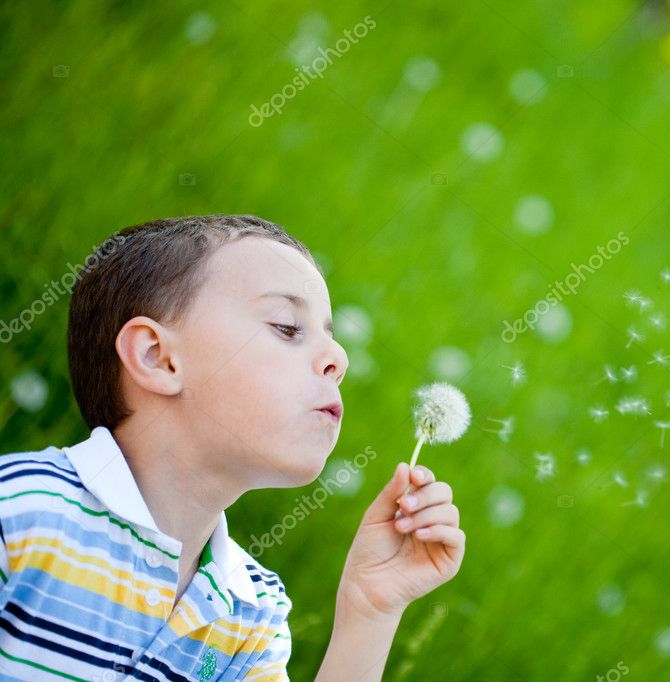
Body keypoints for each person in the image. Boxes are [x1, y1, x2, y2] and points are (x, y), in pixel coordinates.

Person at [0, 215, 465, 680]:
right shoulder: (19, 511)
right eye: (286, 327)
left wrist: (369, 611)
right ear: (157, 358)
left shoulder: (251, 616)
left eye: (332, 337)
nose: (338, 359)